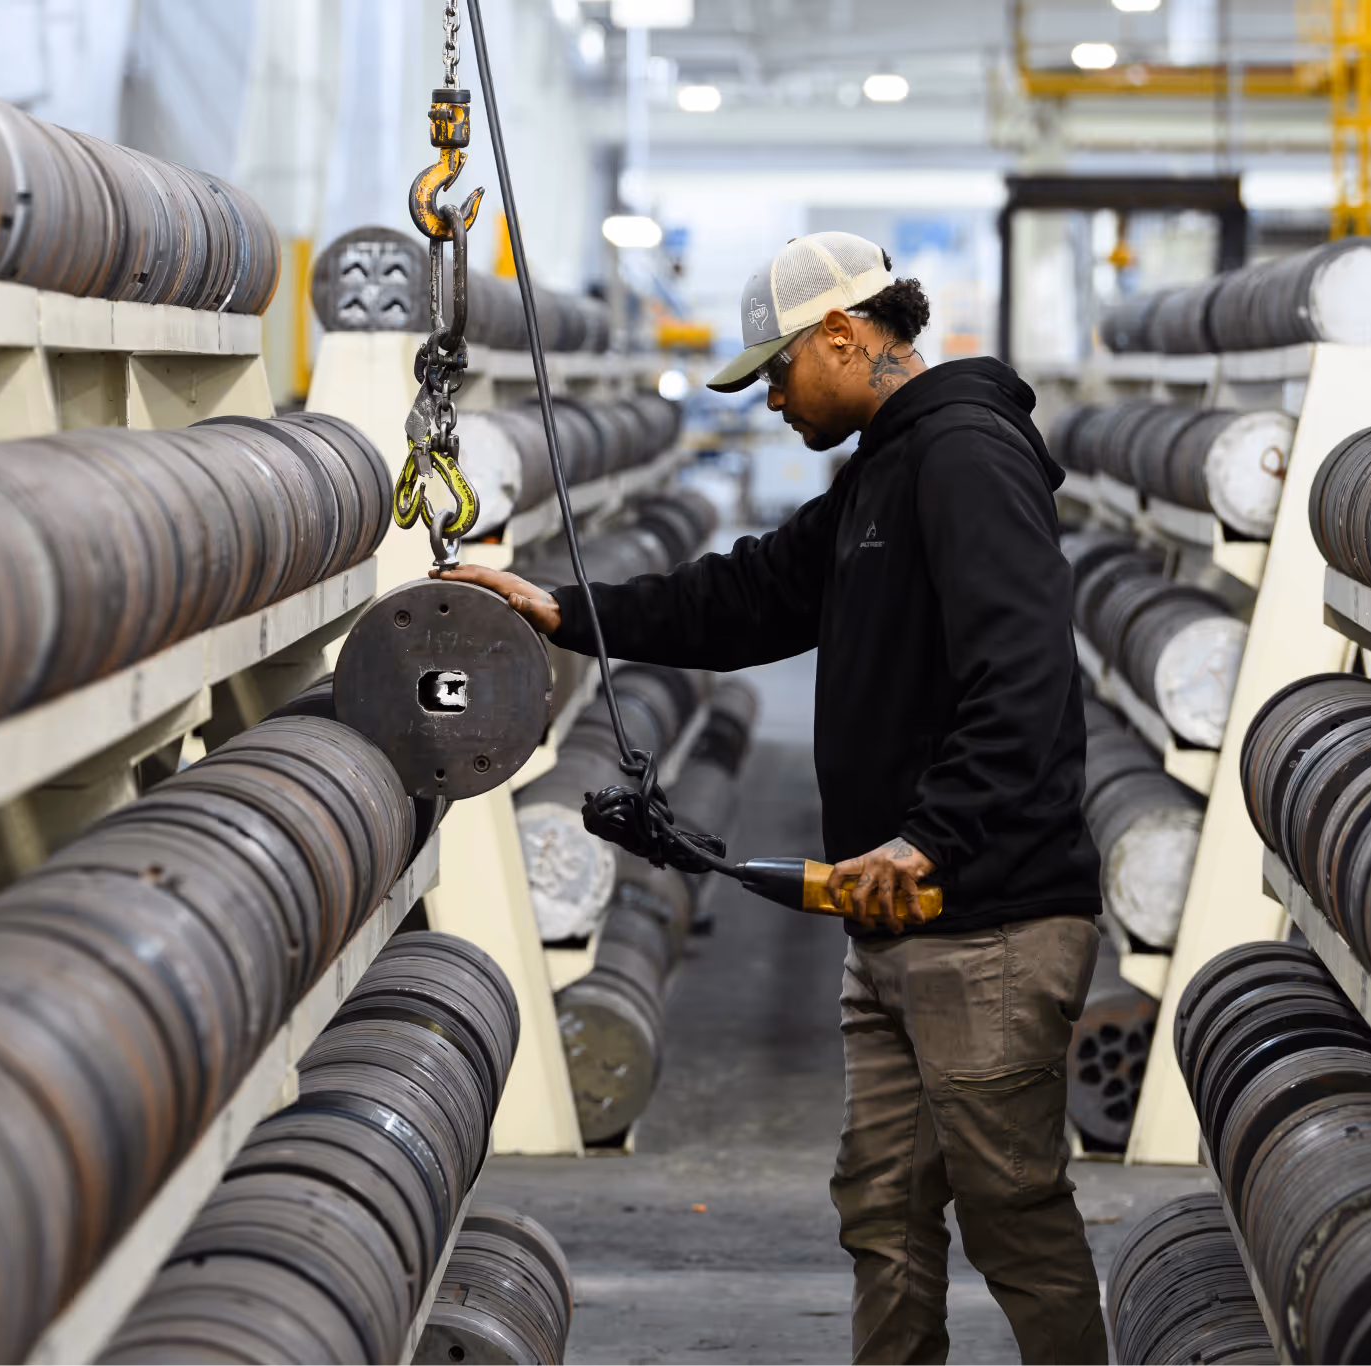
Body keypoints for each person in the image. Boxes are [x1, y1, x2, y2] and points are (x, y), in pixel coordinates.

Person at [441, 231, 1106, 1366]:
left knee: (1012, 1214)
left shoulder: (962, 458)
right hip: (890, 918)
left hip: (984, 922)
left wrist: (929, 835)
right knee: (882, 1209)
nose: (769, 403)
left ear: (842, 338)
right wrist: (560, 609)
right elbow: (742, 597)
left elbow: (1024, 671)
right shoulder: (880, 472)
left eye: (777, 374)